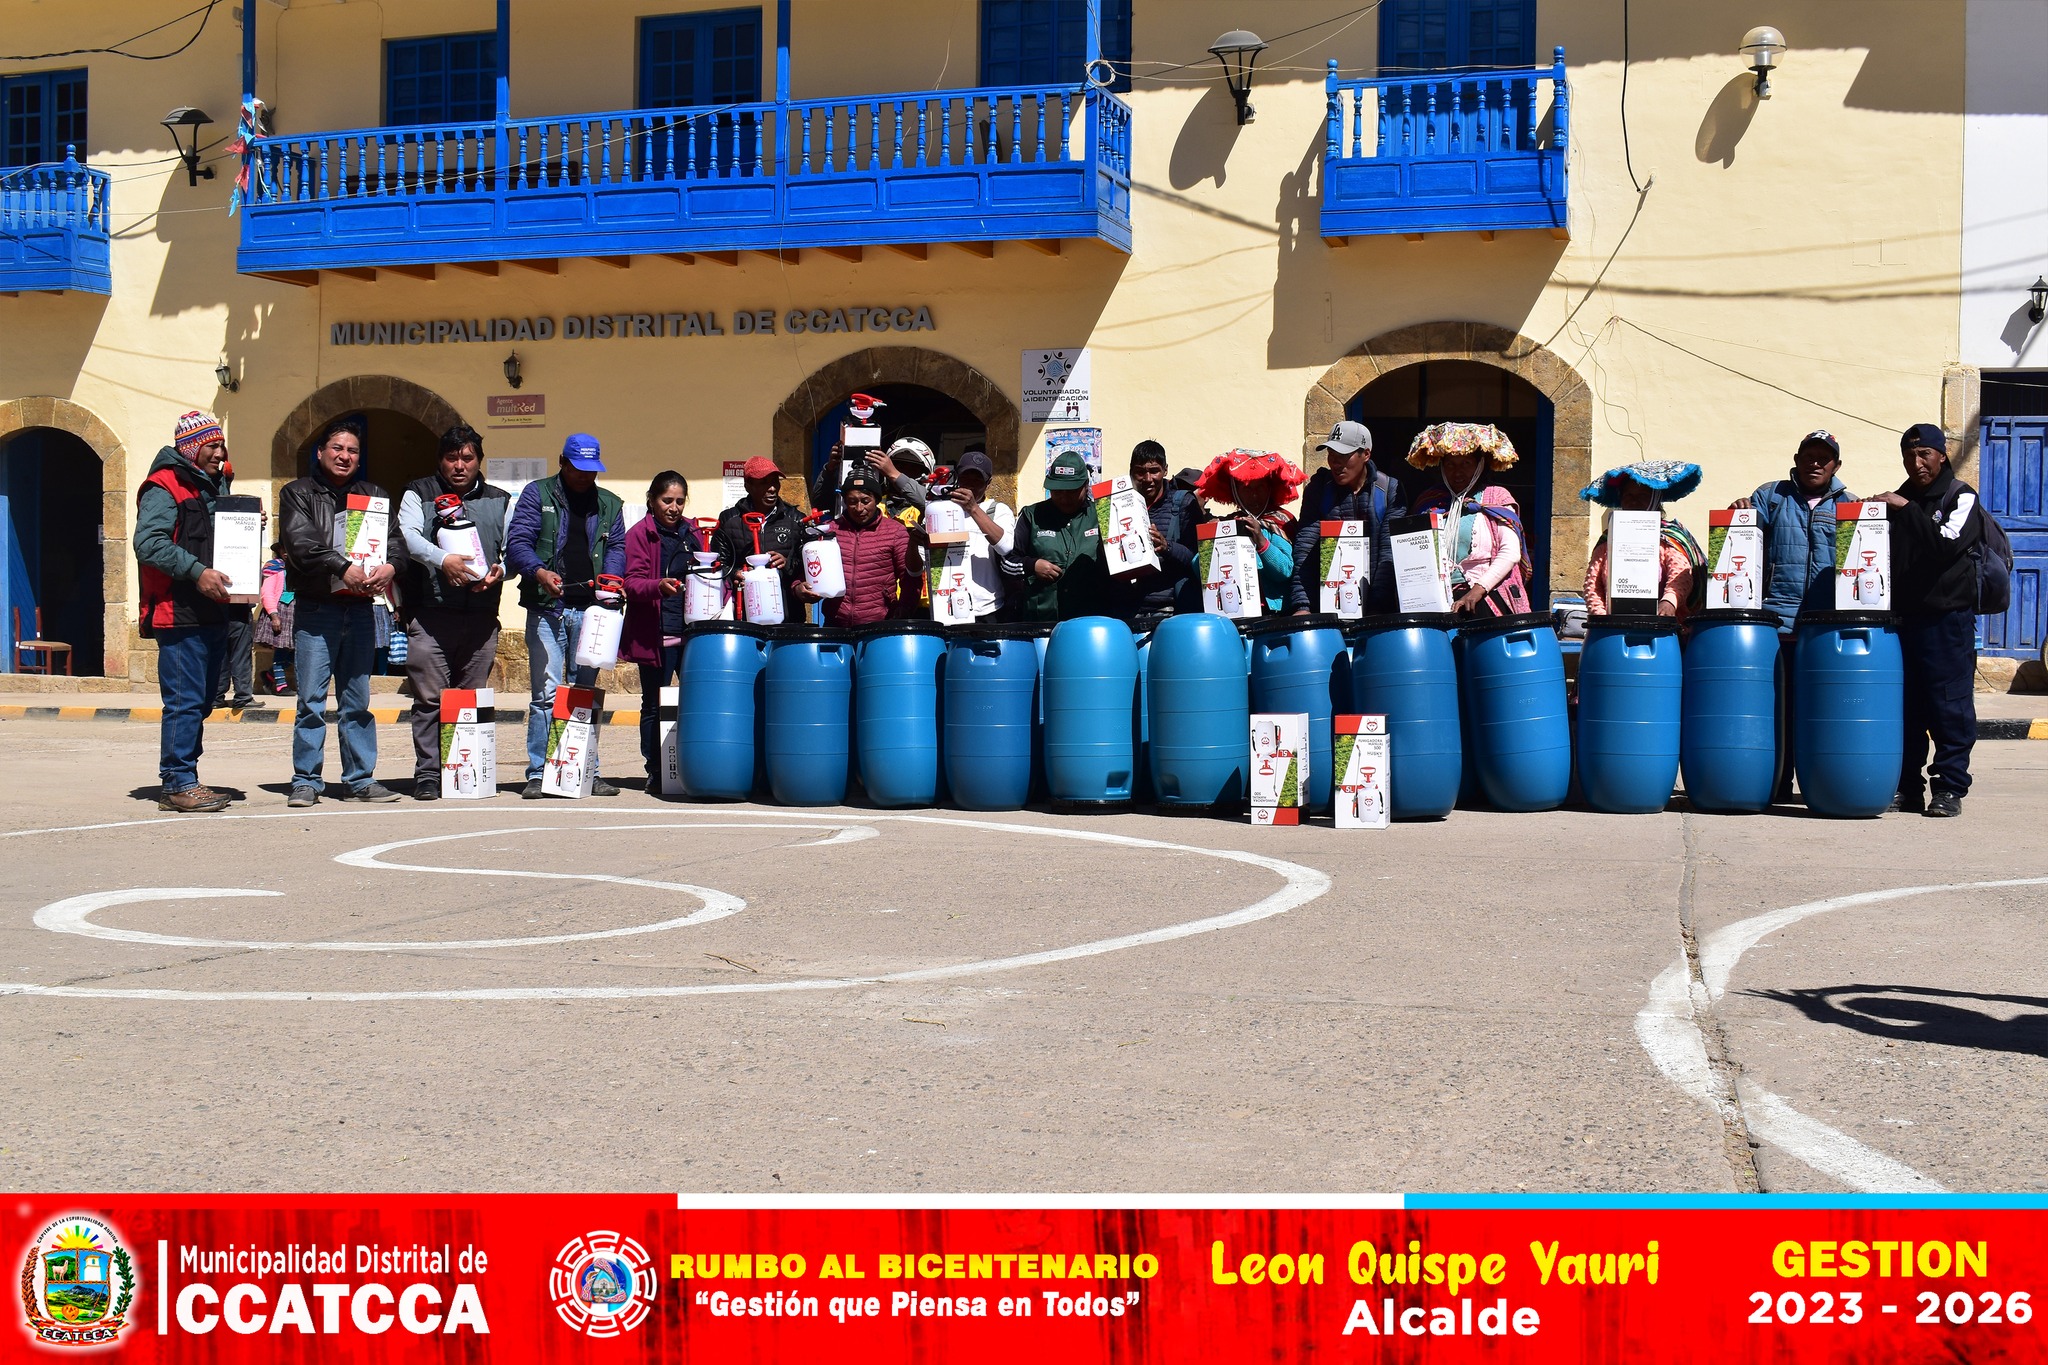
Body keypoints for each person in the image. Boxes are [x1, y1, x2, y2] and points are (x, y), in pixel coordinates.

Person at [279, 414, 400, 806]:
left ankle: (360, 779)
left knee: (357, 701)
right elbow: (300, 542)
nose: (345, 456)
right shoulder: (297, 492)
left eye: (352, 450)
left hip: (362, 610)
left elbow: (395, 541)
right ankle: (306, 781)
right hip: (318, 609)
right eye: (337, 448)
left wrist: (390, 566)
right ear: (320, 452)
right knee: (311, 701)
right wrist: (342, 567)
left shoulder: (373, 494)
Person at [506, 432, 627, 800]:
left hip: (593, 612)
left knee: (584, 693)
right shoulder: (536, 494)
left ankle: (585, 770)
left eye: (592, 470)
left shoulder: (610, 503)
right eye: (578, 469)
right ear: (562, 461)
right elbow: (518, 543)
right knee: (545, 693)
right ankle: (539, 774)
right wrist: (539, 572)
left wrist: (612, 578)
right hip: (547, 607)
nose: (585, 477)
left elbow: (617, 546)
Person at [397, 422, 510, 800]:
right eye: (451, 458)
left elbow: (511, 548)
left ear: (479, 461)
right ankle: (428, 774)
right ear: (440, 461)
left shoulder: (500, 499)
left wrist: (500, 572)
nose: (459, 466)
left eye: (467, 458)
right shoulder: (418, 492)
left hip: (481, 616)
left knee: (468, 700)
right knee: (429, 700)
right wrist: (443, 559)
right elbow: (410, 538)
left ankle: (462, 772)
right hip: (431, 615)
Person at [134, 410, 237, 812]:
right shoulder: (164, 486)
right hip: (178, 613)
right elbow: (148, 543)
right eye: (212, 446)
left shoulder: (213, 484)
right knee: (185, 700)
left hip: (211, 610)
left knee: (206, 699)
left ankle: (185, 776)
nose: (219, 453)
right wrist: (197, 573)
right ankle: (178, 782)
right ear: (192, 448)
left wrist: (246, 521)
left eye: (221, 445)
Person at [1881, 422, 1984, 818]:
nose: (1916, 462)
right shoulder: (1899, 499)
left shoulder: (1960, 497)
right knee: (1906, 709)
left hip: (1947, 621)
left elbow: (1946, 545)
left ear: (1942, 455)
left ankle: (1949, 788)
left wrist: (1905, 511)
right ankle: (1907, 788)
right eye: (1909, 455)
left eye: (1925, 454)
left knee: (1949, 708)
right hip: (1903, 621)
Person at [621, 471, 703, 788]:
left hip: (692, 635)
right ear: (652, 500)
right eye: (667, 500)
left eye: (680, 501)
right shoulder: (640, 534)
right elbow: (632, 582)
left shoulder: (693, 532)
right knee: (653, 704)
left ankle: (691, 765)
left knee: (696, 701)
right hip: (655, 635)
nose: (674, 507)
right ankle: (656, 770)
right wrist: (658, 586)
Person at [1731, 429, 1857, 629]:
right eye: (1809, 457)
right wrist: (1735, 516)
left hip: (1828, 618)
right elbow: (1742, 543)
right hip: (1775, 615)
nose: (1815, 464)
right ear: (1797, 459)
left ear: (1836, 466)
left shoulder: (1850, 505)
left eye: (1823, 459)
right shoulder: (1770, 496)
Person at [1406, 421, 1533, 616]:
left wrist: (1477, 591)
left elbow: (1510, 553)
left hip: (1487, 597)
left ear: (1480, 465)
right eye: (1450, 464)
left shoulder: (1497, 497)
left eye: (1466, 463)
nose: (1457, 472)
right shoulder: (1429, 502)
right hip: (1437, 602)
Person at [1290, 420, 1406, 615]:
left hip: (1379, 611)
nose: (1336, 463)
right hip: (1326, 609)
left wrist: (1377, 610)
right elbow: (1304, 548)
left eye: (1344, 456)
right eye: (1331, 455)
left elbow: (1389, 552)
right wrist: (1303, 606)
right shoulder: (1319, 490)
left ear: (1366, 454)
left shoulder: (1389, 490)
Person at [1580, 461, 1707, 619]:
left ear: (1655, 499)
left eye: (1643, 496)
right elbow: (1593, 584)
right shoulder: (1608, 541)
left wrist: (1669, 602)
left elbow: (1681, 576)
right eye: (1628, 496)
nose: (1634, 501)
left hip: (1663, 625)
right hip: (1613, 627)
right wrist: (1602, 617)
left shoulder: (1669, 539)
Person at [1195, 449, 1305, 613]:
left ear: (1270, 489)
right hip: (1233, 611)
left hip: (1273, 613)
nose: (1254, 494)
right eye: (1246, 488)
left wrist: (1261, 540)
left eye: (1260, 487)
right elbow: (1199, 569)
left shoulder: (1281, 521)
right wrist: (1211, 540)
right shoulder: (1228, 524)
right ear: (1235, 491)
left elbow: (1285, 570)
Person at [1111, 440, 1205, 619]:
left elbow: (1198, 558)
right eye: (1140, 472)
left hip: (1170, 610)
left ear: (1165, 470)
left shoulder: (1184, 503)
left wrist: (1167, 547)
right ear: (1131, 471)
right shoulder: (1116, 506)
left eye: (1154, 471)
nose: (1148, 479)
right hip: (1127, 610)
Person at [1010, 450, 1108, 621]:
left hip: (1090, 619)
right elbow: (1007, 562)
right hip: (1041, 621)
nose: (1063, 498)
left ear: (1086, 485)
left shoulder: (1102, 514)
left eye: (1071, 491)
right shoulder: (1031, 516)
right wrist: (1032, 565)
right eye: (1057, 491)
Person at [922, 449, 1017, 622]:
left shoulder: (998, 510)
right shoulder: (941, 509)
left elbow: (1006, 547)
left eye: (978, 480)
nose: (971, 485)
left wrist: (973, 508)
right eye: (966, 478)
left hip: (988, 608)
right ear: (957, 477)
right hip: (946, 606)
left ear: (988, 483)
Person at [822, 468, 922, 627]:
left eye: (865, 501)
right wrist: (799, 587)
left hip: (879, 627)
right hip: (836, 625)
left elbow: (910, 577)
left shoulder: (895, 531)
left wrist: (905, 609)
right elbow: (810, 571)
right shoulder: (830, 530)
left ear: (876, 500)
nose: (859, 508)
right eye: (852, 502)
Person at [711, 455, 807, 622]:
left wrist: (788, 562)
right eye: (764, 482)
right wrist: (736, 574)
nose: (772, 488)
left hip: (788, 616)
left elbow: (808, 565)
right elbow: (719, 564)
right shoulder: (729, 520)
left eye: (775, 481)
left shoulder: (796, 519)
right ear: (748, 486)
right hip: (744, 617)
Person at [253, 541, 293, 694]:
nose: (286, 552)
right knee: (281, 648)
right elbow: (267, 593)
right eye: (283, 549)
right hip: (280, 611)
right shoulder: (273, 568)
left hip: (295, 612)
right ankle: (281, 686)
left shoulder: (298, 569)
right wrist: (274, 615)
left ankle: (269, 674)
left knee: (297, 651)